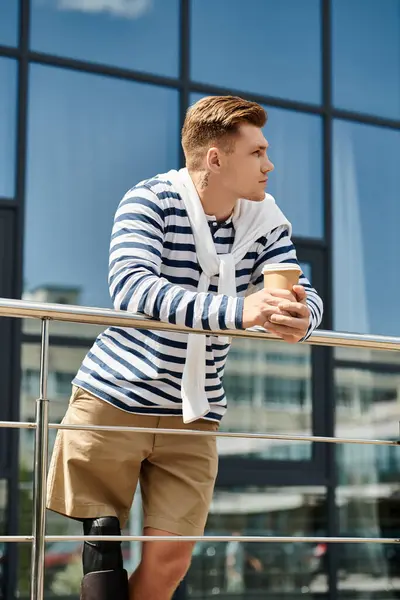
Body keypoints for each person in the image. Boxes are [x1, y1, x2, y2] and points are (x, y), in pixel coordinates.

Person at [46, 95, 323, 600]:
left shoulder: (264, 219)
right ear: (216, 158)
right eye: (257, 152)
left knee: (171, 562)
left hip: (193, 413)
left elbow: (300, 292)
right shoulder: (150, 200)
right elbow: (132, 288)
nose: (269, 163)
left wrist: (303, 318)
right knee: (103, 551)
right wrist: (240, 311)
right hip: (115, 397)